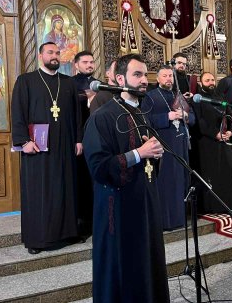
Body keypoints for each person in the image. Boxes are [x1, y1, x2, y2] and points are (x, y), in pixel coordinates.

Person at [82, 54, 170, 303]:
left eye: (145, 75)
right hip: (117, 208)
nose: (144, 80)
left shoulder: (143, 114)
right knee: (122, 266)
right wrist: (139, 154)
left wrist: (156, 154)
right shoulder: (102, 117)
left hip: (145, 202)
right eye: (137, 75)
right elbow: (99, 167)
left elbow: (149, 157)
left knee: (147, 260)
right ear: (120, 79)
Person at [11, 42, 82, 254]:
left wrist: (79, 139)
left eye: (57, 53)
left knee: (65, 188)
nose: (55, 56)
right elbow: (17, 113)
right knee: (39, 192)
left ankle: (67, 233)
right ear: (40, 55)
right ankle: (37, 240)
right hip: (37, 147)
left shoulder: (68, 83)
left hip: (65, 144)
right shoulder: (26, 81)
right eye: (50, 52)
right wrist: (24, 142)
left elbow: (77, 115)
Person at [143, 65, 195, 230]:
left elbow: (193, 118)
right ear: (157, 79)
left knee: (181, 182)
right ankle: (165, 222)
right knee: (166, 183)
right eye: (164, 76)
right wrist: (167, 116)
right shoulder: (150, 97)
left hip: (181, 146)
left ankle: (180, 219)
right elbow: (145, 120)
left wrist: (186, 116)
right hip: (163, 146)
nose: (168, 79)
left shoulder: (178, 96)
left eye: (170, 76)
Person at [192, 72, 232, 213]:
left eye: (213, 79)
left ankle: (230, 204)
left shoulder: (221, 97)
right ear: (201, 83)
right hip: (208, 142)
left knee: (227, 172)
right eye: (207, 80)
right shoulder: (198, 99)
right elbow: (199, 121)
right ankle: (214, 207)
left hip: (224, 141)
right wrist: (215, 134)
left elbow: (230, 114)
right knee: (212, 173)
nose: (211, 82)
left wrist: (231, 131)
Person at [72, 51, 96, 238]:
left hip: (97, 138)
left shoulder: (99, 84)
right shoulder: (70, 84)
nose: (89, 64)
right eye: (85, 62)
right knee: (80, 182)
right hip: (79, 139)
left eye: (91, 61)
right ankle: (81, 225)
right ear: (76, 65)